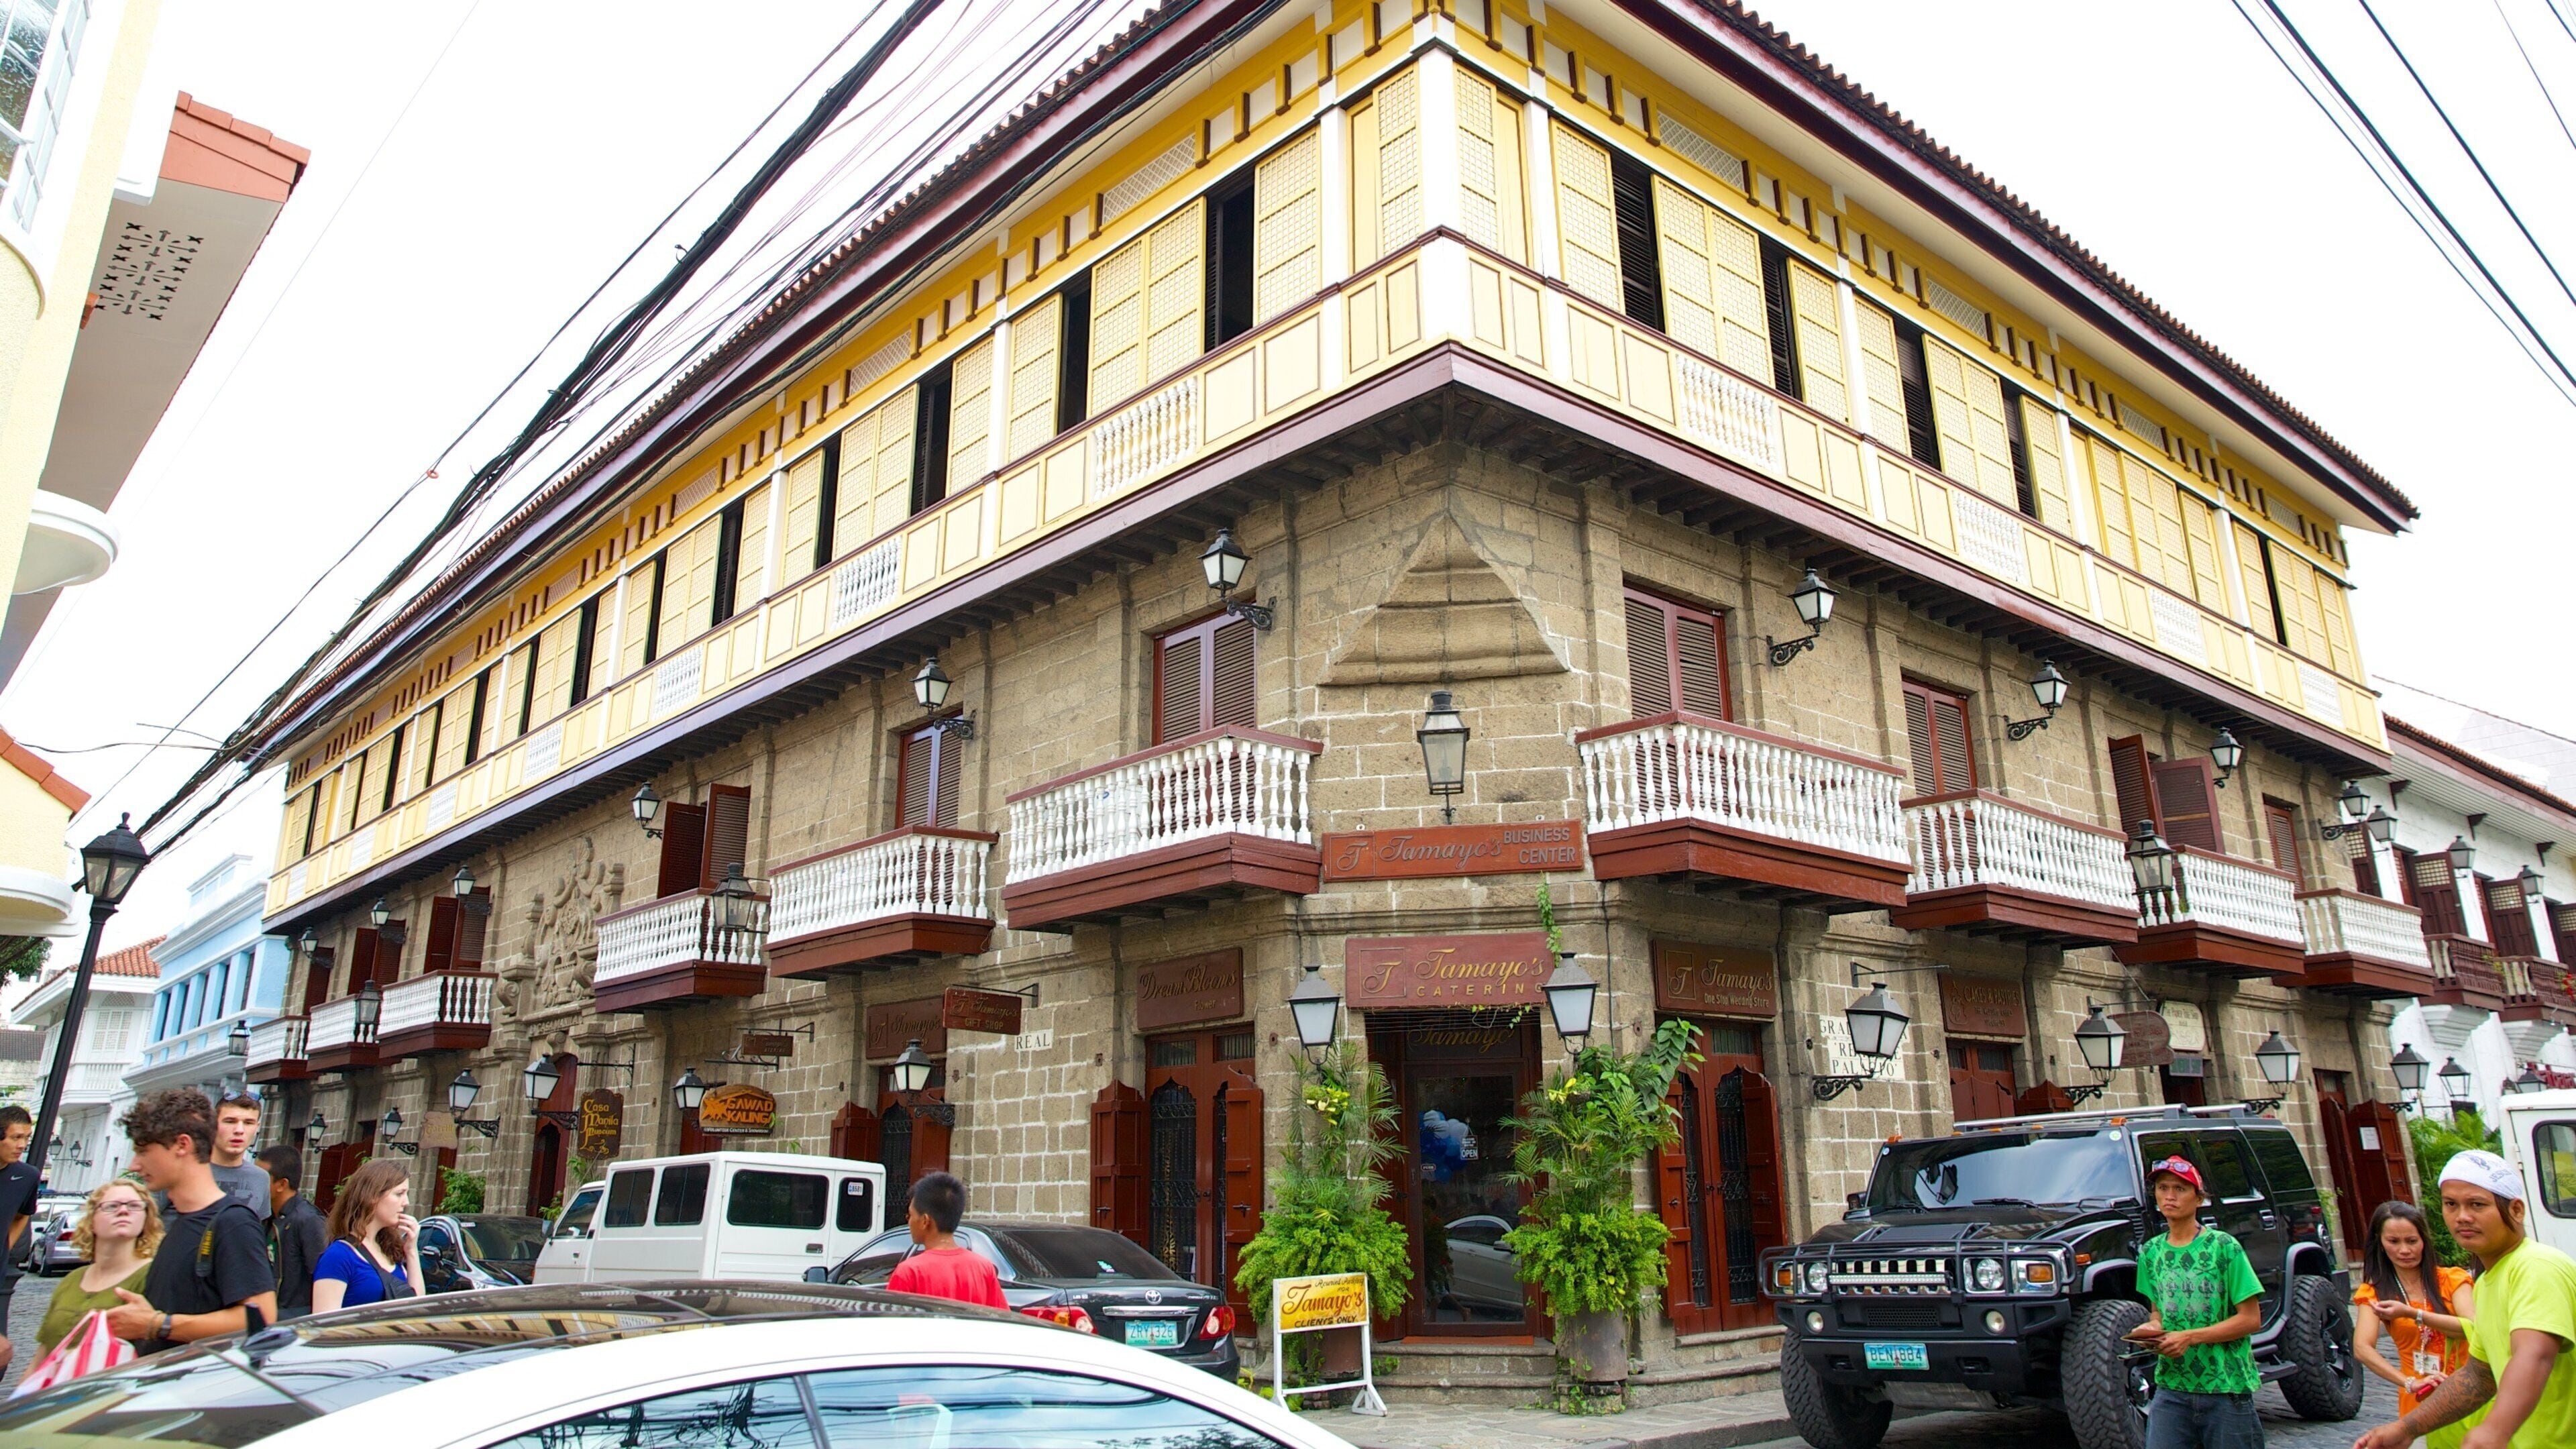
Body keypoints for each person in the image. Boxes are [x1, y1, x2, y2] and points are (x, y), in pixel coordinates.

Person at [2353, 1150, 2576, 1449]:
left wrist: (2495, 1430)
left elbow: (2534, 1355)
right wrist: (2408, 1428)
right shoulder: (2484, 1283)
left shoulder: (2536, 1267)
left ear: (2517, 1210)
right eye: (2451, 1205)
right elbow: (2479, 1376)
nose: (2462, 1217)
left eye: (2477, 1205)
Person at [99, 1089, 277, 1354]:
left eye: (144, 1150)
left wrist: (157, 1324)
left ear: (182, 1145)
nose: (135, 1165)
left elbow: (260, 1316)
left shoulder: (233, 1223)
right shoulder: (181, 1223)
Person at [2127, 1155, 2265, 1449]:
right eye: (2163, 1188)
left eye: (2180, 1189)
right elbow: (2158, 1312)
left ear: (2199, 1198)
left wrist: (2189, 1337)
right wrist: (2151, 1331)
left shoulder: (2224, 1247)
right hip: (2171, 1389)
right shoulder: (2150, 1253)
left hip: (2226, 1388)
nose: (2170, 1196)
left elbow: (2251, 1319)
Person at [2351, 1199, 2482, 1449]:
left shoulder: (2451, 1279)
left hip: (2468, 1391)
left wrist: (2414, 1314)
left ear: (2424, 1241)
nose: (2404, 1250)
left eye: (2412, 1241)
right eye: (2394, 1242)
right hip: (2419, 1397)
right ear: (2380, 1243)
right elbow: (2362, 1349)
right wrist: (2408, 1382)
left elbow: (2471, 1326)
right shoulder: (2374, 1292)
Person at [34, 1180, 160, 1356]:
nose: (123, 1211)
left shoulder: (154, 1276)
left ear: (146, 1219)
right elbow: (44, 1353)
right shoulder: (72, 1280)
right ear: (92, 1219)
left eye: (134, 1206)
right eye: (111, 1206)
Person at [311, 1159, 424, 1313]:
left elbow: (417, 1308)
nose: (406, 1202)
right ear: (373, 1196)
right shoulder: (339, 1256)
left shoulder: (388, 1248)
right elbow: (323, 1324)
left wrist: (411, 1251)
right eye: (399, 1194)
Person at [884, 1171, 1005, 1309]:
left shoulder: (909, 1272)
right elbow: (1002, 1320)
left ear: (925, 1221)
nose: (909, 1221)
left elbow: (893, 1325)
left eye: (910, 1215)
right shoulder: (984, 1268)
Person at [260, 1144, 325, 1319]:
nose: (254, 1182)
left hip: (294, 1320)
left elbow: (322, 1278)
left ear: (282, 1184)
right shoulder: (267, 1217)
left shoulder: (308, 1220)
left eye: (260, 1178)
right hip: (270, 1316)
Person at [0, 1104, 39, 1372]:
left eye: (26, 1138)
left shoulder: (27, 1176)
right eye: (16, 1137)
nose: (22, 1145)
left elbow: (23, 1214)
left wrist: (7, 1245)